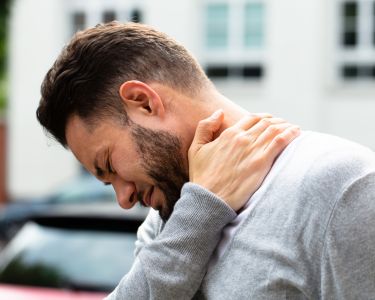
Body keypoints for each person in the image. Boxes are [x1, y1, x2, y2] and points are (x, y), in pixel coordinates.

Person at [36, 22, 375, 299]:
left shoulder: (340, 186)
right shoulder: (169, 221)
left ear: (144, 102)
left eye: (109, 165)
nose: (124, 199)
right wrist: (200, 210)